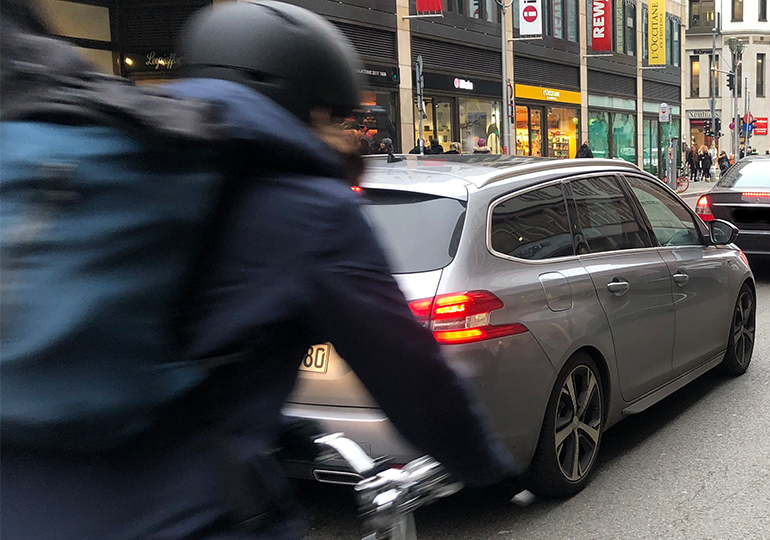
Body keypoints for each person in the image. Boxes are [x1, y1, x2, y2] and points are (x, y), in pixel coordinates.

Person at [0, 2, 520, 539]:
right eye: (335, 118)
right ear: (307, 106)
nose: (345, 134)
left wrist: (287, 425)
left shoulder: (120, 164)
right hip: (176, 515)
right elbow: (413, 376)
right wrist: (486, 468)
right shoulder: (310, 207)